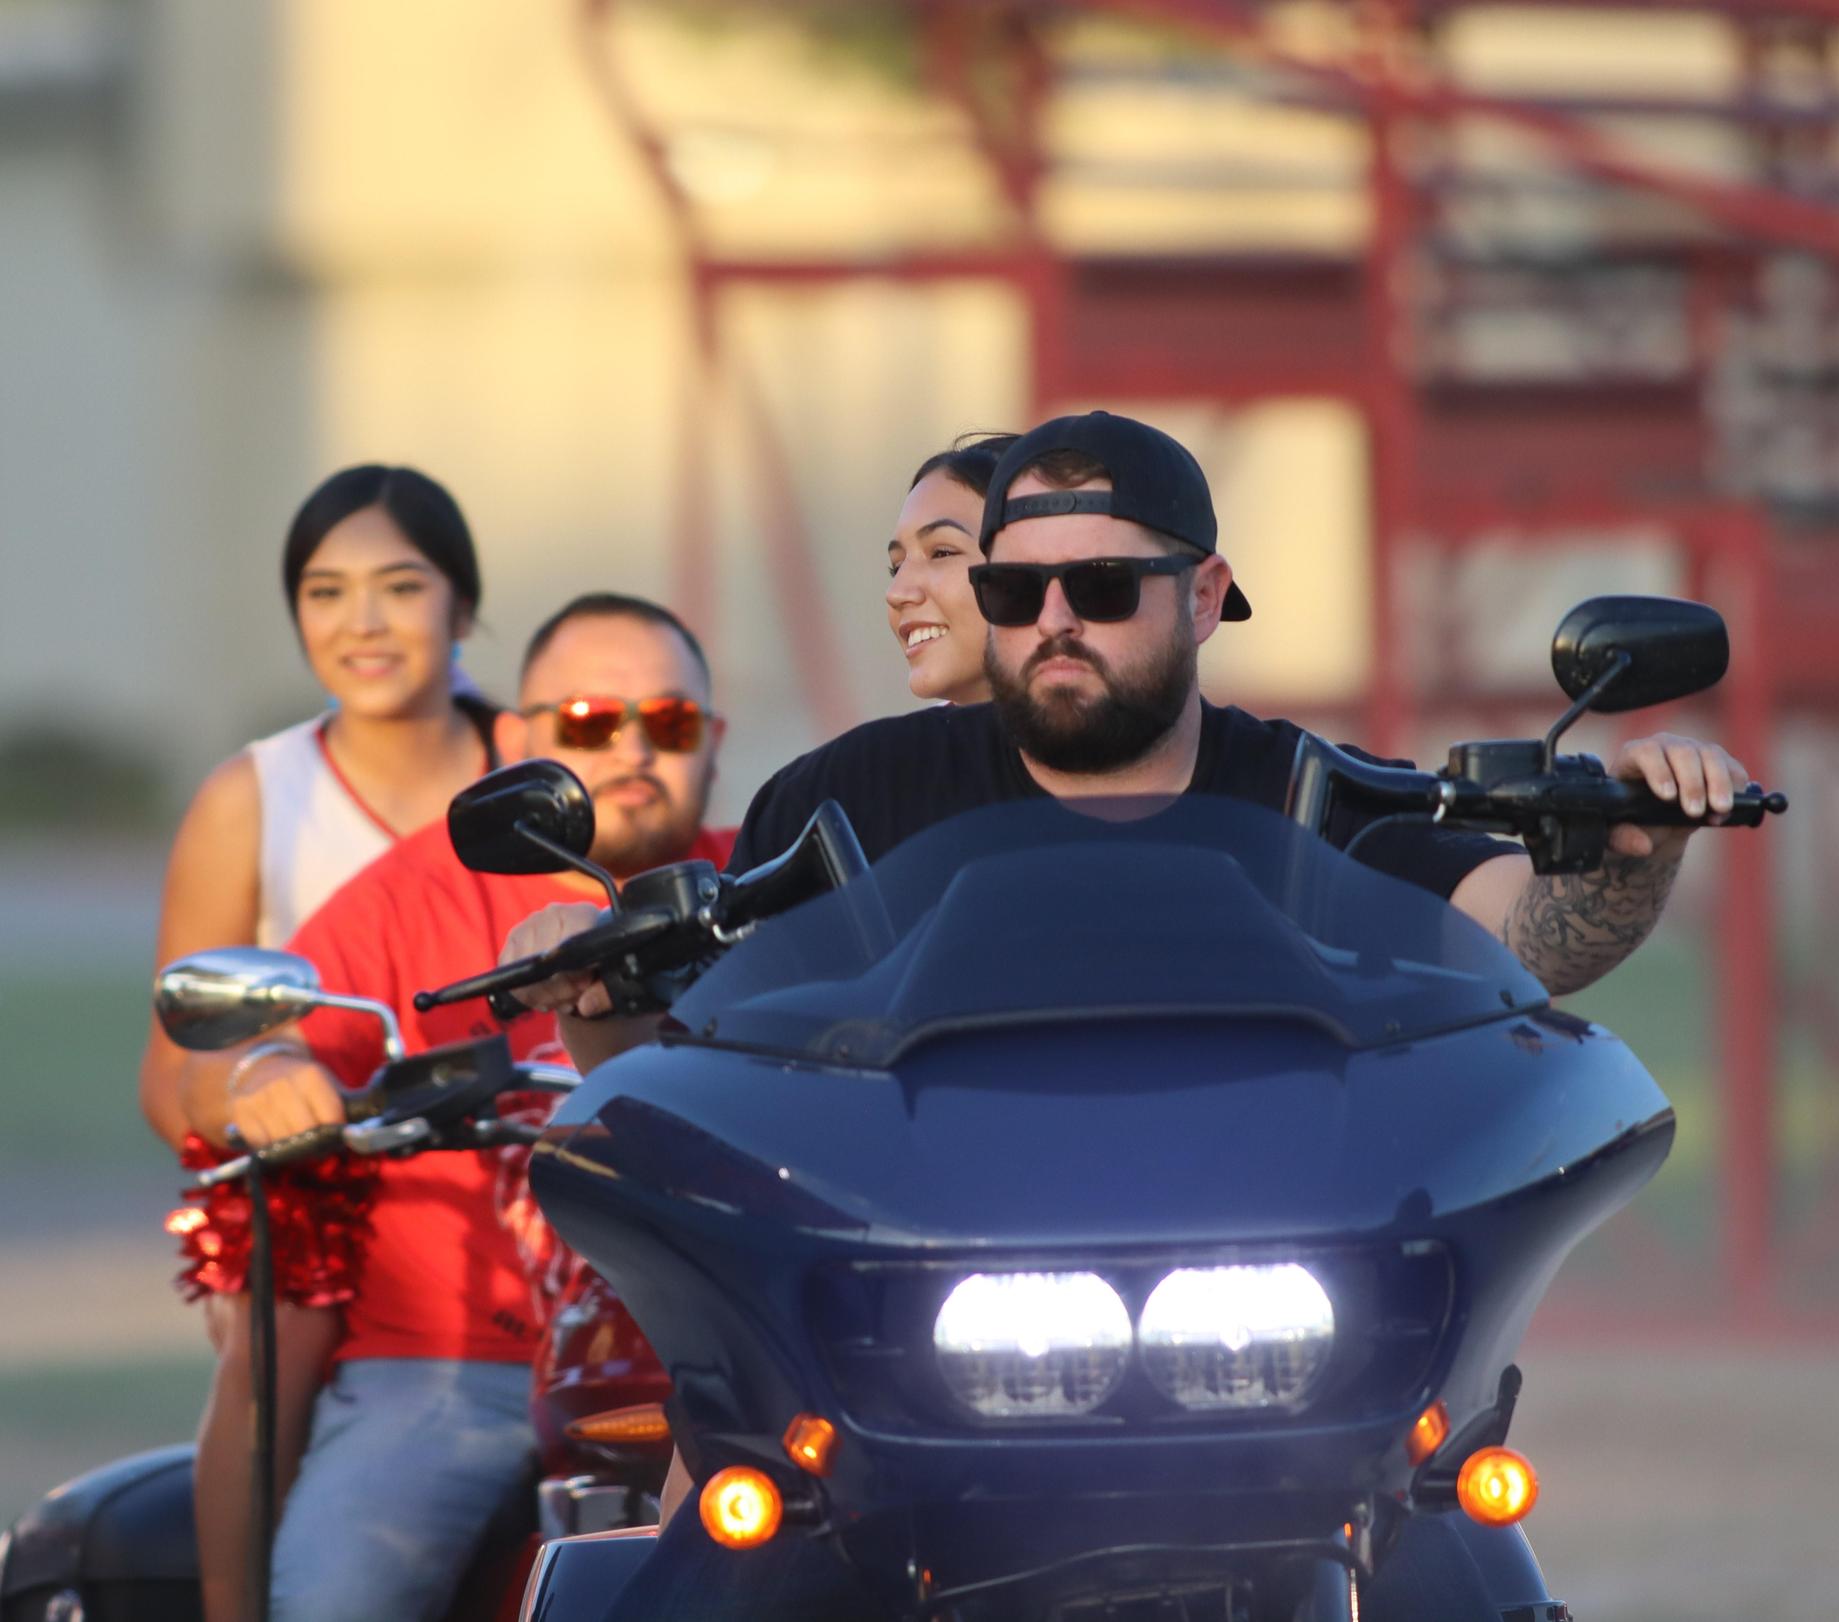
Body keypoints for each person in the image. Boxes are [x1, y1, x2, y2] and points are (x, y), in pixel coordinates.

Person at [506, 411, 1751, 1620]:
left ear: (1203, 595)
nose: (1054, 621)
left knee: (1459, 1549)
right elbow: (704, 1053)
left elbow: (1521, 943)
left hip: (1276, 1346)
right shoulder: (846, 804)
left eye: (1102, 588)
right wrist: (596, 974)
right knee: (707, 1537)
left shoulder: (1313, 795)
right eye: (1015, 590)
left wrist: (1630, 852)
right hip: (902, 1336)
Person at [172, 592, 733, 1622]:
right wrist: (263, 1078)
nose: (637, 747)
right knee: (343, 1591)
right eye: (591, 722)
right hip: (450, 1358)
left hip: (717, 1340)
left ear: (715, 741)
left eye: (674, 722)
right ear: (518, 741)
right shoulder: (417, 892)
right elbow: (222, 1061)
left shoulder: (752, 878)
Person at [140, 464, 496, 1622]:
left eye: (400, 585)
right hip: (325, 1175)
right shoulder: (256, 794)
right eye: (326, 590)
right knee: (274, 1343)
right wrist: (259, 1080)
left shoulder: (534, 761)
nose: (364, 622)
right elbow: (169, 1066)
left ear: (463, 604)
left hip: (513, 1152)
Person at [885, 433, 1017, 705]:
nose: (896, 593)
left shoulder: (1117, 745)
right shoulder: (903, 747)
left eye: (941, 553)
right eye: (897, 567)